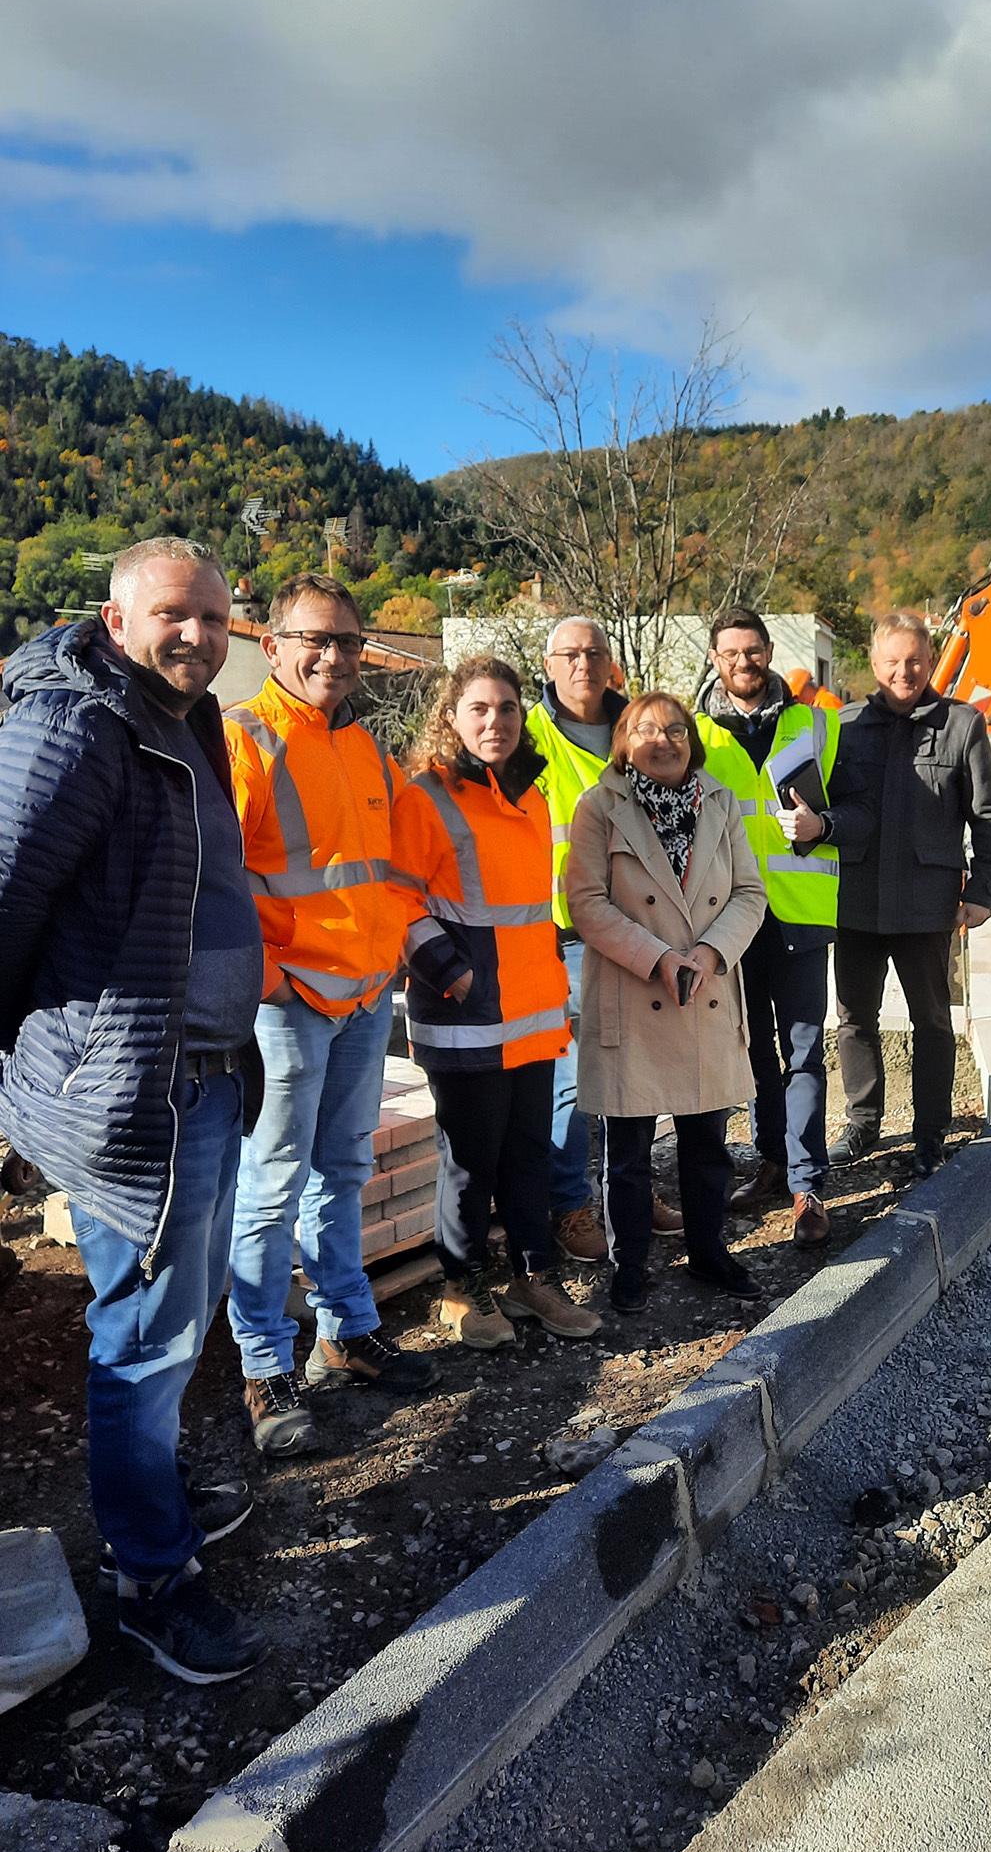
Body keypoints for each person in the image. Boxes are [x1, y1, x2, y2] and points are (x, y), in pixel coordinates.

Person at [0, 537, 267, 1682]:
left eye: (213, 618)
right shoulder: (76, 723)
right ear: (116, 619)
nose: (198, 636)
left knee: (178, 1316)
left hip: (203, 1073)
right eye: (174, 615)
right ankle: (152, 1577)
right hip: (132, 1091)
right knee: (144, 1334)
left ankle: (150, 1495)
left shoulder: (182, 716)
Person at [224, 571, 436, 1460]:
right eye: (315, 639)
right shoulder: (245, 737)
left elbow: (384, 872)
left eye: (347, 641)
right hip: (288, 1004)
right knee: (270, 1187)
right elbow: (216, 881)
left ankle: (344, 1332)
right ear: (272, 645)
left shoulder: (365, 749)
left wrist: (392, 957)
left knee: (340, 1172)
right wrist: (267, 979)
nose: (333, 656)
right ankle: (264, 1365)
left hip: (357, 999)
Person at [392, 657, 600, 1347]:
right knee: (469, 1160)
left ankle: (532, 1278)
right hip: (466, 1014)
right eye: (479, 709)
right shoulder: (426, 796)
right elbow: (398, 899)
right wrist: (455, 975)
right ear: (450, 717)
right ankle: (462, 1286)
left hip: (533, 1012)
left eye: (507, 709)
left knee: (528, 1155)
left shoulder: (530, 795)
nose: (495, 722)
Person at [566, 693, 766, 1314]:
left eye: (676, 728)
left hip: (703, 991)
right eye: (646, 728)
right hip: (635, 991)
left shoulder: (720, 801)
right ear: (623, 740)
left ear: (692, 741)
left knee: (707, 1144)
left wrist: (707, 955)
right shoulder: (599, 808)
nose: (664, 739)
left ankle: (709, 1251)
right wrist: (657, 959)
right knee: (626, 1155)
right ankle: (629, 1267)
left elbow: (750, 893)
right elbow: (587, 903)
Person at [696, 607, 872, 1248]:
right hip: (726, 920)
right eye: (730, 652)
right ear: (714, 659)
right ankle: (773, 1161)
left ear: (769, 651)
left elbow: (861, 811)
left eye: (753, 650)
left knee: (801, 1052)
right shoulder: (693, 738)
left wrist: (824, 827)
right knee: (751, 1051)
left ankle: (807, 1185)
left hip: (798, 913)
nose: (744, 662)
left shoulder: (817, 727)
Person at [526, 615, 682, 1262]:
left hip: (639, 929)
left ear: (610, 661)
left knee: (634, 1073)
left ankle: (629, 1190)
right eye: (569, 654)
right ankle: (570, 1207)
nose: (583, 664)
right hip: (564, 934)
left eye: (593, 652)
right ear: (549, 664)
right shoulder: (527, 736)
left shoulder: (634, 728)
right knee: (576, 1079)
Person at [833, 610, 991, 1179]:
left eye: (914, 661)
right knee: (855, 1016)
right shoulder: (847, 726)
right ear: (874, 664)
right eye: (892, 662)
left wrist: (982, 890)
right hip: (855, 901)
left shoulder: (963, 725)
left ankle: (929, 1133)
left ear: (930, 661)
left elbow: (986, 817)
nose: (903, 672)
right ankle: (863, 1122)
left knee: (932, 1020)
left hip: (927, 904)